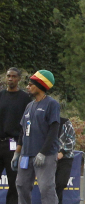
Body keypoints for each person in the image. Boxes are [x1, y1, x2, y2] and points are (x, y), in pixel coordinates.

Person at [14, 70, 60, 204]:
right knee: (21, 185)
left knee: (46, 188)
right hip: (26, 154)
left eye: (30, 84)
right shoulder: (29, 105)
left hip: (45, 155)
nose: (27, 87)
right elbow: (23, 131)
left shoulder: (52, 104)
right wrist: (17, 153)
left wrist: (43, 153)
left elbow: (53, 130)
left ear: (40, 86)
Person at [0, 68, 32, 204]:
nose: (10, 79)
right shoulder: (1, 95)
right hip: (0, 142)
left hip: (15, 145)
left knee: (13, 183)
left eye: (13, 76)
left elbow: (27, 123)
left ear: (19, 79)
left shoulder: (25, 98)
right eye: (8, 76)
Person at [55, 116, 75, 204]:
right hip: (50, 158)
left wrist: (62, 152)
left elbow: (72, 140)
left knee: (61, 183)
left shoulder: (66, 123)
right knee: (49, 186)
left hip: (66, 158)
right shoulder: (45, 122)